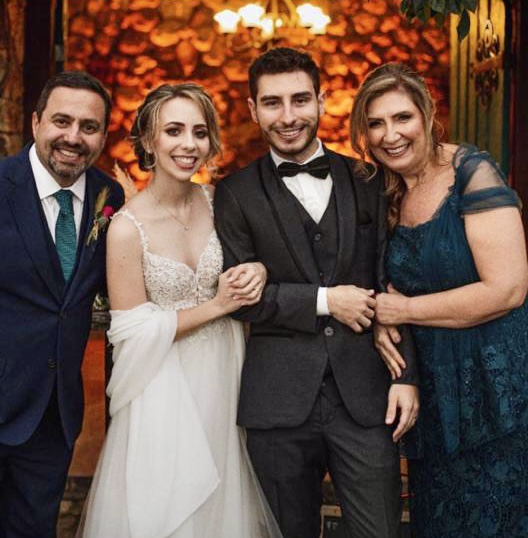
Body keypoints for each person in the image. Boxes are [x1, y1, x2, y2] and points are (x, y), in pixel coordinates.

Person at [213, 47, 419, 538]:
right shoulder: (234, 193)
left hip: (366, 396)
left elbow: (394, 282)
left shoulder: (370, 180)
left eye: (300, 100)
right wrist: (327, 301)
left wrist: (406, 374)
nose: (288, 117)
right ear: (253, 109)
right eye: (273, 103)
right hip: (277, 401)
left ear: (322, 101)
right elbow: (243, 299)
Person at [79, 82, 283, 538]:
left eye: (199, 132)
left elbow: (258, 261)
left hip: (225, 375)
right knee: (167, 506)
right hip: (161, 383)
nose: (189, 144)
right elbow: (132, 331)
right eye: (174, 131)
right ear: (148, 141)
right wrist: (217, 305)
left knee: (224, 501)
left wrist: (258, 270)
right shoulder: (126, 228)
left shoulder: (221, 203)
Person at [350, 62, 528, 537]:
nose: (390, 135)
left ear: (427, 115)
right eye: (376, 123)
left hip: (495, 388)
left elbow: (508, 289)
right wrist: (381, 318)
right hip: (433, 395)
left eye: (402, 117)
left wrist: (405, 310)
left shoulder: (472, 174)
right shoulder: (383, 190)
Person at [0, 71, 124, 538]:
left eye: (89, 126)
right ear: (36, 122)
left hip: (53, 420)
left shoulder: (110, 197)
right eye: (61, 121)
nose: (73, 137)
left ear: (103, 135)